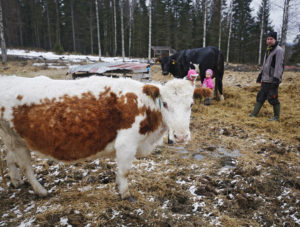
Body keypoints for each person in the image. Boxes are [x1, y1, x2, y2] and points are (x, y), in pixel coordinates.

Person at [249, 31, 284, 121]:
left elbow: (279, 66)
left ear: (275, 39)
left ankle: (276, 117)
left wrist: (276, 79)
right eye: (268, 39)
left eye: (271, 39)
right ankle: (254, 114)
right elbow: (266, 64)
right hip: (265, 79)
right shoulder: (268, 49)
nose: (269, 41)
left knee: (273, 97)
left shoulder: (279, 50)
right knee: (260, 96)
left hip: (272, 79)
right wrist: (261, 75)